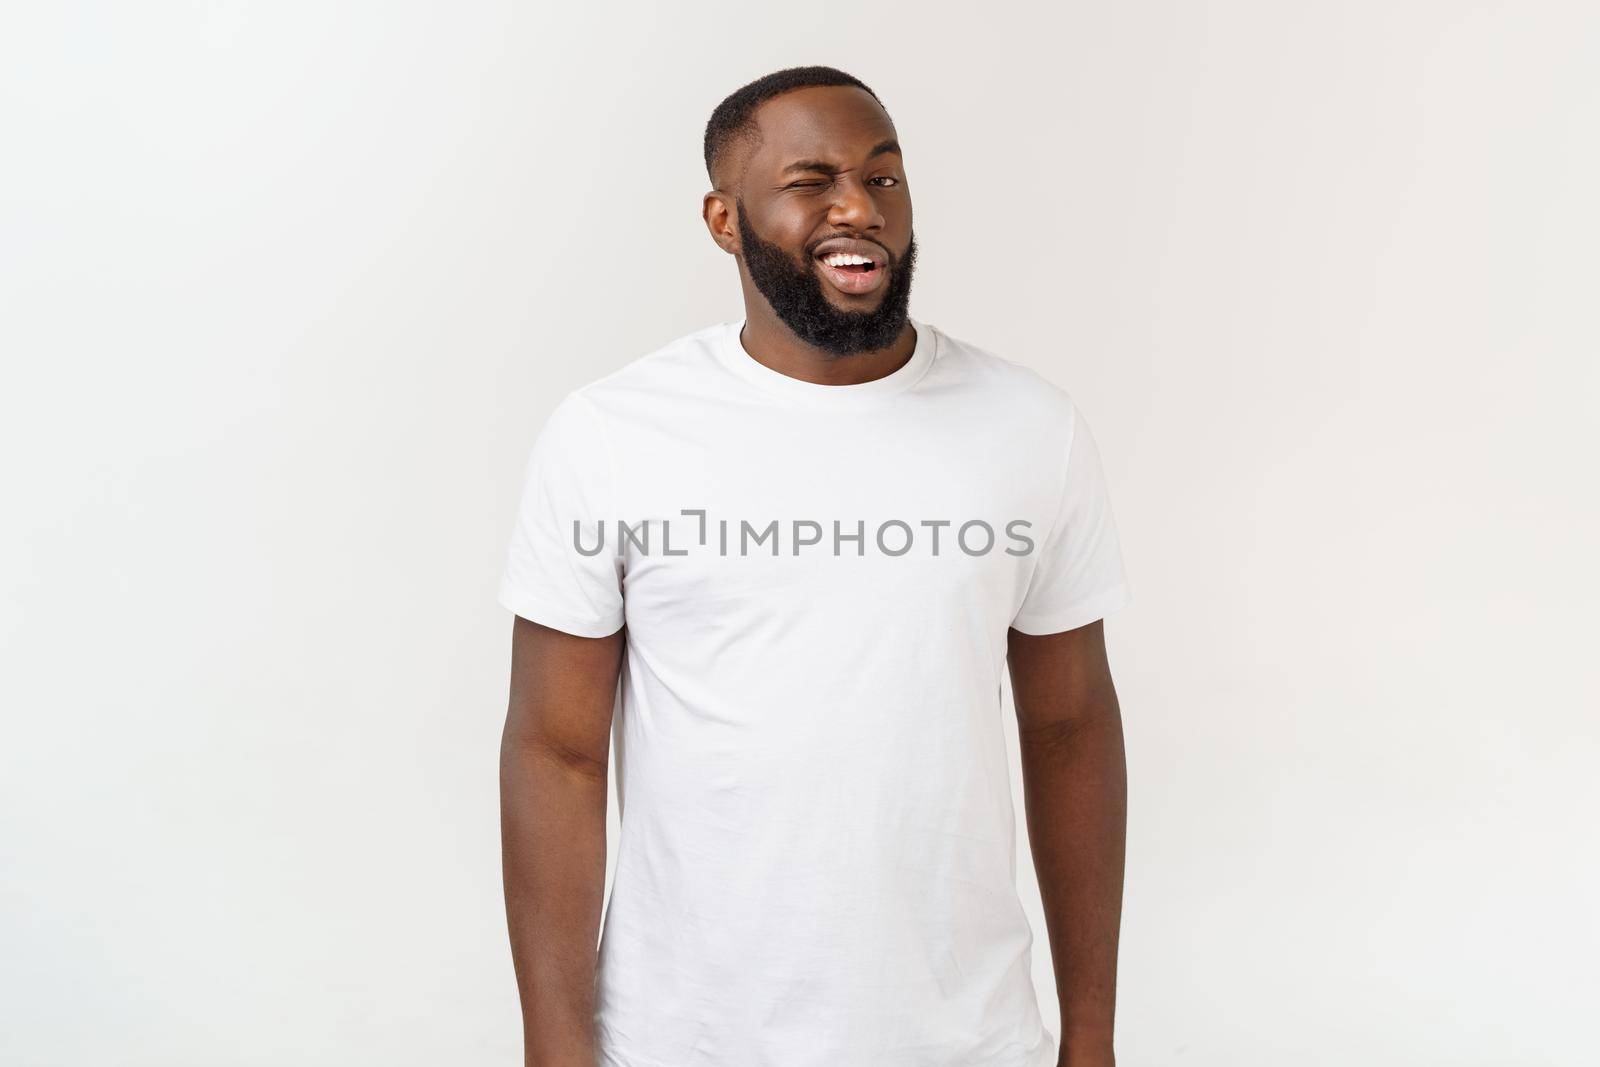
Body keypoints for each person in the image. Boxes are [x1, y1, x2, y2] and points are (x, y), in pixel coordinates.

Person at [498, 65, 1132, 1067]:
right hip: (683, 1037)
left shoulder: (1027, 428)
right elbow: (554, 751)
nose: (858, 207)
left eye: (884, 178)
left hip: (965, 1036)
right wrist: (556, 1047)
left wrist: (1088, 1037)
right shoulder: (612, 434)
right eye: (811, 179)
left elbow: (1069, 730)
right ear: (723, 218)